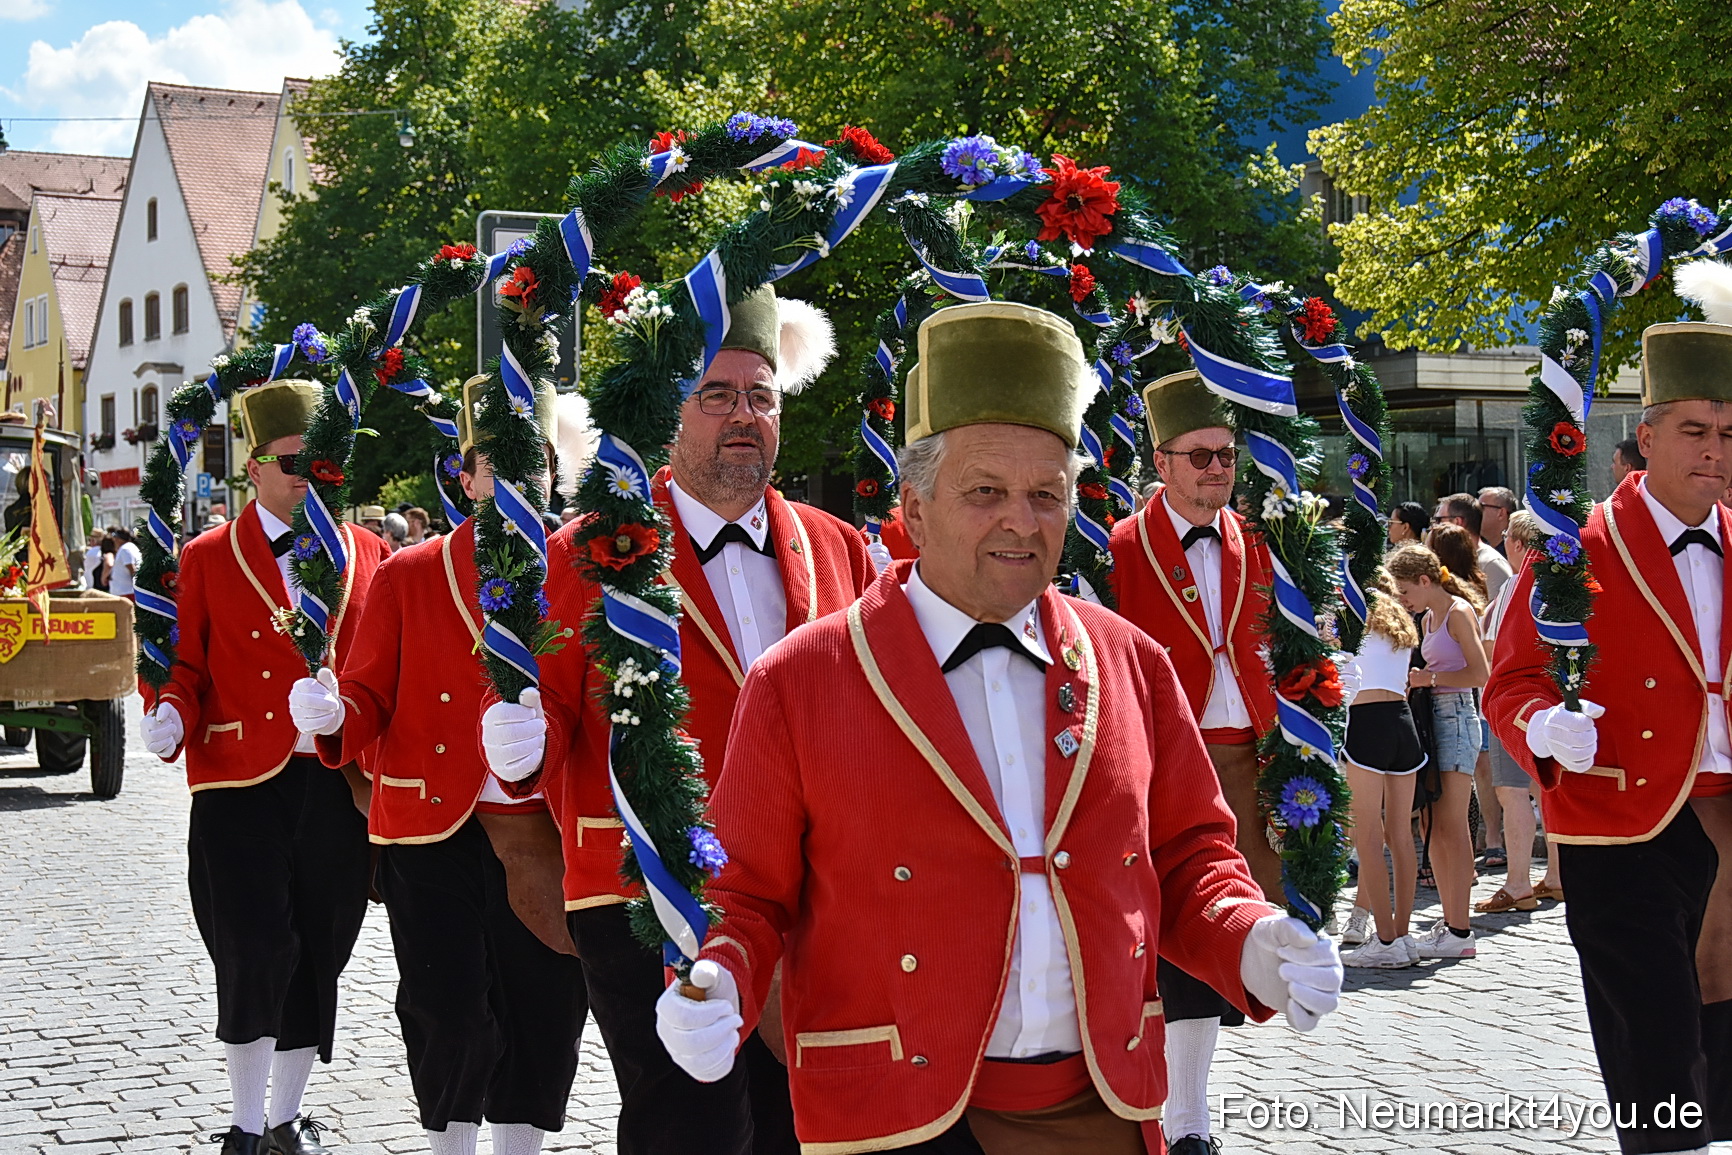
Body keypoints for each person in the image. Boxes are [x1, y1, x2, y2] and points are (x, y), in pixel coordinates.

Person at [651, 300, 1342, 1154]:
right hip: (892, 1113)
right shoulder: (800, 679)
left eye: (1046, 494)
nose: (1022, 519)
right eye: (986, 491)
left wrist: (1250, 936)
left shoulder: (1131, 661)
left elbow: (1189, 855)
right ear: (914, 507)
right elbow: (747, 892)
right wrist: (719, 974)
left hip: (1103, 1106)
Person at [484, 285, 872, 1155]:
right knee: (687, 1127)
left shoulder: (837, 546)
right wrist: (513, 733)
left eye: (761, 396)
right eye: (717, 395)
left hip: (809, 889)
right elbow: (536, 700)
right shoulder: (586, 549)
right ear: (670, 412)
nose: (744, 416)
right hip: (643, 889)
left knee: (801, 1123)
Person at [288, 379, 590, 1155]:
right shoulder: (409, 572)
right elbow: (368, 693)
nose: (516, 475)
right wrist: (336, 714)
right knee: (444, 1009)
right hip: (428, 829)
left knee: (543, 1010)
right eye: (496, 461)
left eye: (533, 458)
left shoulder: (585, 570)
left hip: (542, 827)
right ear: (465, 474)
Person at [1486, 301, 1732, 1154]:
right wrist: (1543, 727)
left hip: (1727, 815)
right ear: (1647, 436)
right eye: (1695, 430)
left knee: (1724, 1035)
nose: (1714, 451)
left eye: (1728, 434)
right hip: (1622, 821)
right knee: (1654, 1049)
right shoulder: (1576, 545)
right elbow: (1511, 680)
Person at [137, 380, 391, 1155]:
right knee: (251, 947)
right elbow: (187, 663)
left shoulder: (367, 551)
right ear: (253, 468)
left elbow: (382, 670)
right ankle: (245, 1126)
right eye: (291, 461)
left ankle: (286, 1116)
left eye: (320, 460)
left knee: (320, 946)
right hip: (238, 780)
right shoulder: (208, 555)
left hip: (335, 777)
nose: (307, 475)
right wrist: (171, 709)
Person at [1104, 368, 1282, 1154]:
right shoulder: (1117, 547)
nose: (1218, 469)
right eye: (1201, 456)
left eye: (1227, 455)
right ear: (1162, 461)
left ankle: (1188, 1111)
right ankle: (1184, 1119)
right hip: (1161, 760)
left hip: (1249, 760)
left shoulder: (1264, 543)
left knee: (1227, 933)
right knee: (1170, 936)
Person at [1387, 542, 1488, 960]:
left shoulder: (1458, 612)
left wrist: (1428, 679)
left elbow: (1480, 673)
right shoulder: (1429, 617)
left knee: (1452, 824)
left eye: (1405, 590)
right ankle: (1451, 922)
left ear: (1425, 581)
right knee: (1433, 824)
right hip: (1434, 718)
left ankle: (1460, 929)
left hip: (1457, 717)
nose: (1403, 599)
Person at [1338, 570, 1427, 968]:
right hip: (1402, 722)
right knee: (1401, 836)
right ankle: (1402, 936)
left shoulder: (1353, 615)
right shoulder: (1400, 620)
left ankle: (1387, 940)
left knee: (1369, 837)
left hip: (1367, 723)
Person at [1474, 510, 1560, 912]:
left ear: (1519, 543)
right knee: (1547, 790)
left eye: (1507, 535)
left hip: (1517, 700)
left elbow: (1494, 649)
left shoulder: (1515, 584)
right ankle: (1556, 876)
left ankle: (1518, 882)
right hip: (1555, 699)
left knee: (1511, 793)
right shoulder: (1562, 582)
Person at [1433, 492, 1512, 602]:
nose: (1434, 527)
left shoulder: (1491, 564)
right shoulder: (1451, 560)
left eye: (1439, 520)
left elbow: (1498, 610)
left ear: (1457, 522)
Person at [1477, 486, 1516, 557]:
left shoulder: (1518, 551)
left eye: (1481, 507)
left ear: (1501, 513)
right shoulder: (1478, 550)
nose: (1475, 512)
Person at [109, 525, 141, 600]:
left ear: (119, 539)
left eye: (115, 538)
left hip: (126, 593)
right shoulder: (130, 547)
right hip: (125, 592)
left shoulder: (125, 549)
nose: (114, 540)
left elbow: (132, 570)